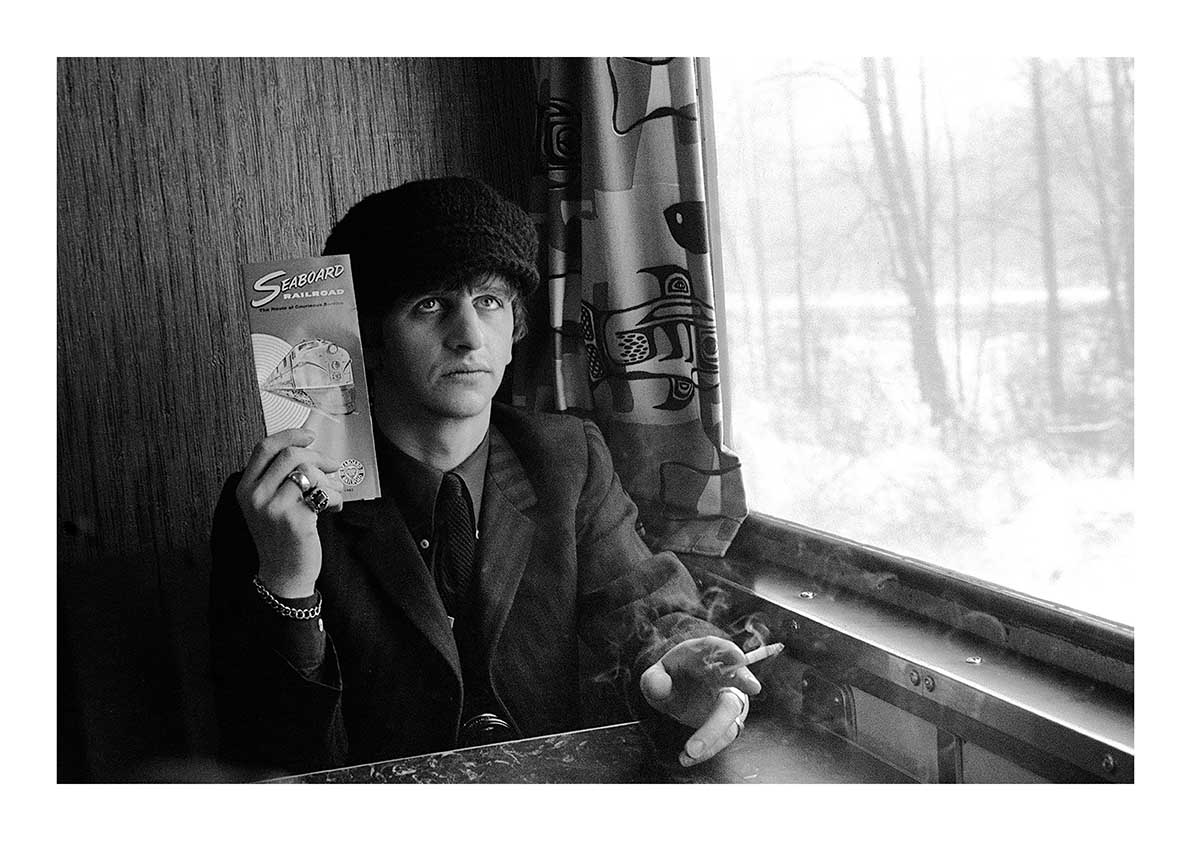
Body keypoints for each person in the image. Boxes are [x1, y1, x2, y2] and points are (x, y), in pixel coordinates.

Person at [209, 176, 763, 777]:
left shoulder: (568, 458)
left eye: (489, 302)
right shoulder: (275, 505)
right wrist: (289, 584)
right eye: (430, 304)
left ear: (513, 329)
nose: (469, 336)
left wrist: (680, 656)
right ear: (365, 337)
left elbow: (642, 607)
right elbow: (269, 757)